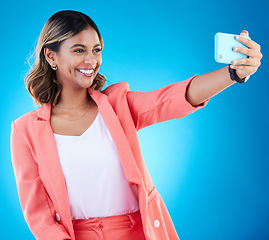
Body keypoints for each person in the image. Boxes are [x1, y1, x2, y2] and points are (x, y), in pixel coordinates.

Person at [10, 10, 262, 240]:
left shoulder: (119, 106)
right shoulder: (25, 131)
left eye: (96, 50)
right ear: (51, 55)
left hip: (140, 233)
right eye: (79, 50)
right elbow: (39, 215)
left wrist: (232, 73)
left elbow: (170, 99)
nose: (91, 60)